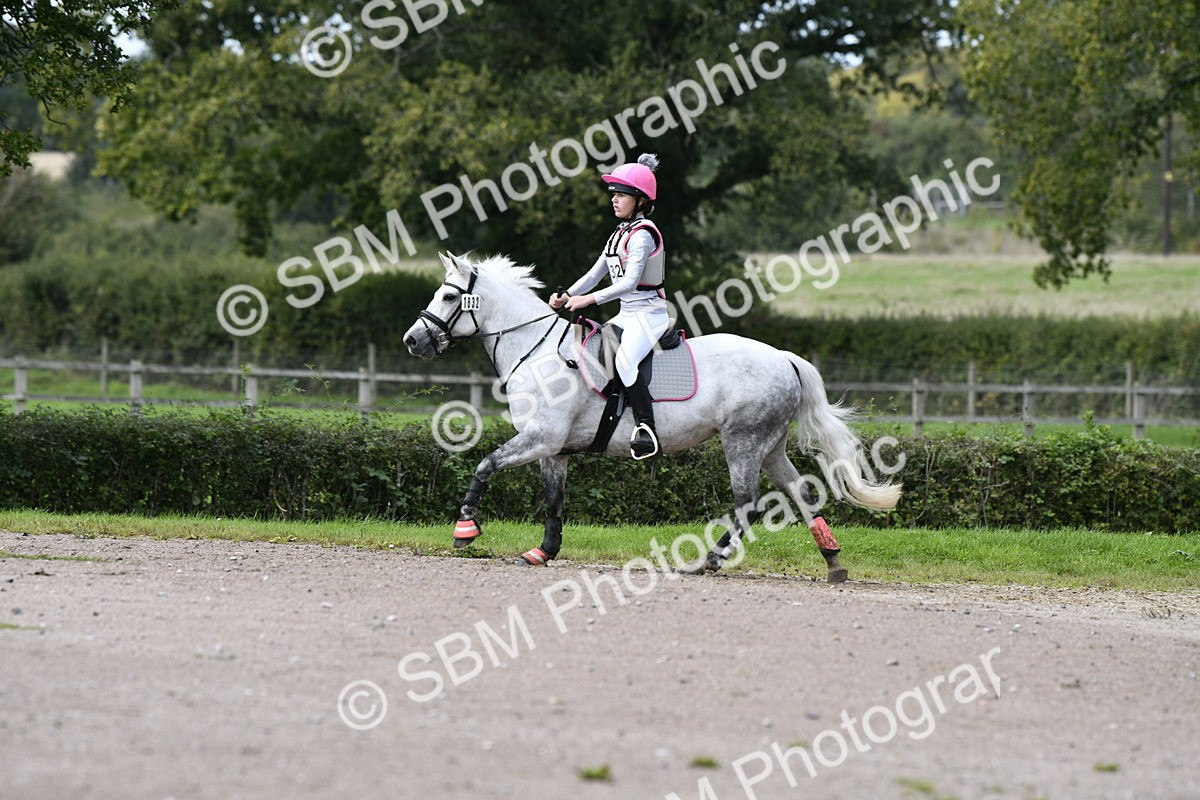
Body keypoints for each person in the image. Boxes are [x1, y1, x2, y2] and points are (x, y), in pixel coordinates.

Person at [549, 153, 668, 460]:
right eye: (613, 194)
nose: (614, 200)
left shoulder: (642, 235)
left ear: (640, 199)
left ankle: (647, 429)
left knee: (626, 362)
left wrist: (588, 300)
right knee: (594, 350)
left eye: (621, 195)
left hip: (649, 313)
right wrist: (566, 296)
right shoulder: (619, 235)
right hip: (627, 315)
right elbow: (594, 274)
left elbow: (628, 284)